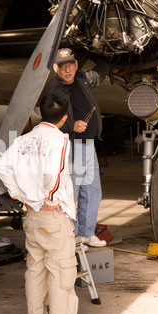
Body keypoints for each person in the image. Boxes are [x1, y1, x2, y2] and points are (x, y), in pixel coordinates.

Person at [0, 92, 98, 314]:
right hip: (52, 215)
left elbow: (0, 167)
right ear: (64, 119)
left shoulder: (23, 140)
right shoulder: (60, 140)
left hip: (30, 216)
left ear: (41, 114)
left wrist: (21, 196)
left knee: (36, 271)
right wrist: (47, 200)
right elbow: (53, 174)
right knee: (62, 273)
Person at [42, 47, 110, 248]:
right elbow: (47, 116)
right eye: (62, 67)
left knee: (92, 191)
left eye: (70, 65)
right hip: (72, 148)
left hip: (88, 144)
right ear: (56, 68)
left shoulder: (82, 78)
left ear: (76, 65)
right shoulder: (53, 89)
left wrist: (93, 50)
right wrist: (72, 126)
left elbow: (101, 71)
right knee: (71, 194)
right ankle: (70, 236)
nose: (67, 70)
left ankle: (86, 233)